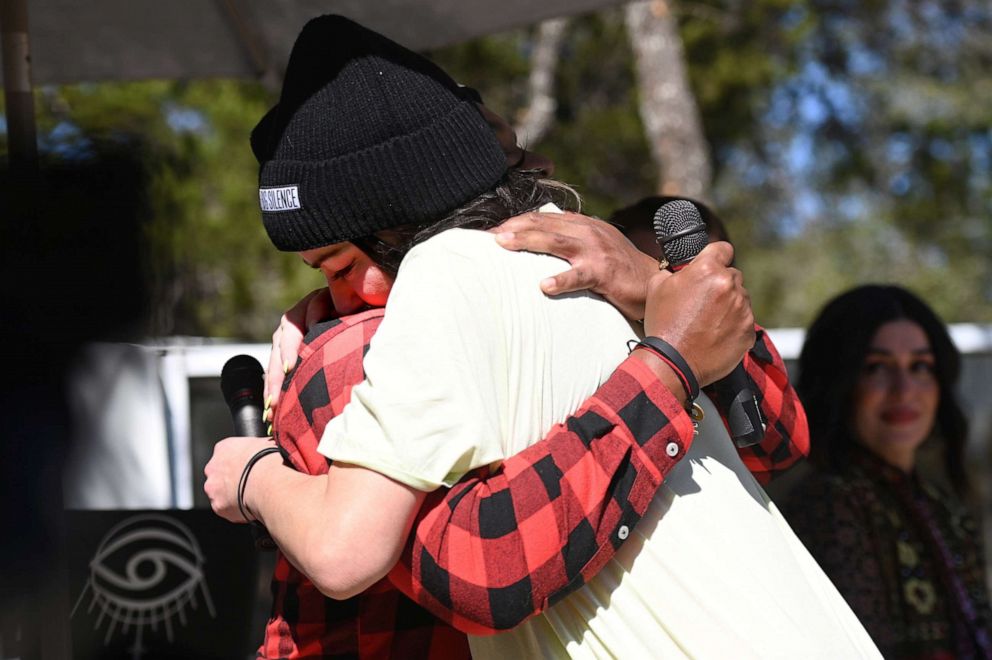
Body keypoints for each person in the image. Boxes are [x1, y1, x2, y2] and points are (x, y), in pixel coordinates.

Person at [205, 14, 878, 658]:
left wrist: (253, 475)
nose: (342, 298)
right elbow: (779, 440)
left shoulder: (417, 297)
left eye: (339, 268)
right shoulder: (580, 252)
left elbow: (411, 558)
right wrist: (658, 310)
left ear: (396, 229)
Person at [781, 285, 992, 658]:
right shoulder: (828, 506)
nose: (904, 389)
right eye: (876, 367)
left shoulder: (945, 505)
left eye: (920, 367)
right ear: (838, 382)